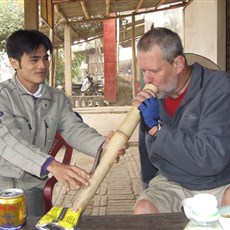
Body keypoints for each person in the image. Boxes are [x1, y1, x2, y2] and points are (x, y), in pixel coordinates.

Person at [0, 29, 127, 216]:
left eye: (45, 58)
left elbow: (74, 129)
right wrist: (50, 164)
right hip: (2, 181)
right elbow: (7, 140)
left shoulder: (57, 99)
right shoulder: (3, 97)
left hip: (31, 186)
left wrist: (103, 146)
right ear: (14, 63)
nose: (42, 65)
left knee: (32, 223)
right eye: (34, 60)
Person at [132, 27, 230, 214]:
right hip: (171, 181)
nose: (147, 80)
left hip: (219, 181)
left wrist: (158, 130)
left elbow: (211, 157)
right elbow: (146, 155)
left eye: (153, 71)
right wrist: (147, 188)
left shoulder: (219, 87)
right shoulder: (155, 98)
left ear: (178, 64)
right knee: (144, 210)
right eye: (143, 71)